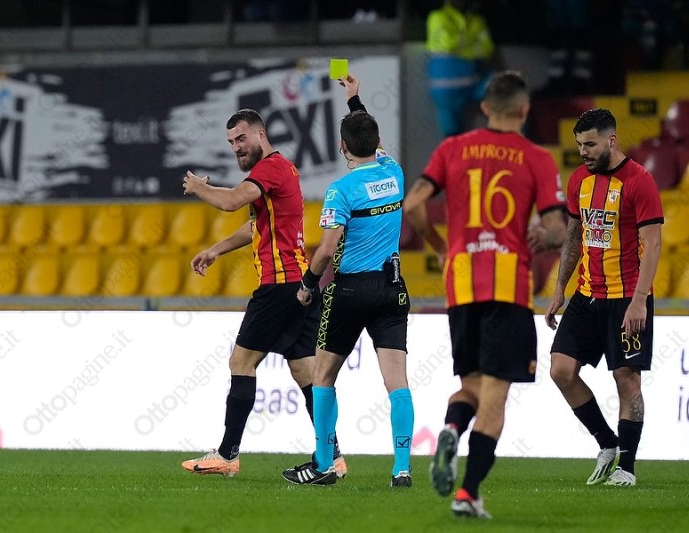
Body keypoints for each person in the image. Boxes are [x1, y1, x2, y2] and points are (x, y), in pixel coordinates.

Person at [404, 70, 567, 518]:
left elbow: (413, 204)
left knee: (471, 388)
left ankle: (452, 429)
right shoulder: (536, 157)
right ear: (524, 110)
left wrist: (441, 247)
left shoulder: (451, 148)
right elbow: (558, 228)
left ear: (483, 108)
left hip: (461, 284)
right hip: (508, 287)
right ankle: (468, 493)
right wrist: (545, 236)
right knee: (495, 397)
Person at [179, 108, 346, 478]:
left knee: (241, 362)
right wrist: (216, 250)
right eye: (231, 142)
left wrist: (198, 187)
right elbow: (256, 225)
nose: (236, 147)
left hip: (279, 285)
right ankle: (332, 455)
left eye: (241, 138)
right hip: (300, 282)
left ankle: (227, 454)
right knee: (305, 370)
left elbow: (231, 201)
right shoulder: (282, 170)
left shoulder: (269, 169)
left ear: (261, 134)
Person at [282, 74, 414, 487]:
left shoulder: (340, 191)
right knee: (397, 383)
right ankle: (402, 468)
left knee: (323, 376)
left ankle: (324, 464)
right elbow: (373, 142)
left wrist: (307, 285)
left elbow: (325, 250)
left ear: (342, 147)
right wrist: (355, 101)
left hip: (351, 291)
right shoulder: (394, 173)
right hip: (392, 289)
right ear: (377, 143)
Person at [545, 108, 663, 488]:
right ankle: (607, 443)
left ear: (611, 140)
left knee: (627, 380)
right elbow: (574, 237)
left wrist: (640, 299)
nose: (583, 152)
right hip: (586, 294)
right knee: (560, 370)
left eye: (590, 144)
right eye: (580, 145)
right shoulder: (579, 180)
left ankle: (627, 467)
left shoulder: (639, 181)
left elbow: (654, 244)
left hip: (627, 297)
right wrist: (559, 290)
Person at [426, 0, 495, 137]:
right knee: (452, 136)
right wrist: (473, 43)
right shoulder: (437, 17)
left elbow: (487, 48)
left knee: (506, 92)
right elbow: (447, 44)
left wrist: (460, 44)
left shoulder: (477, 19)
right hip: (447, 90)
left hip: (474, 85)